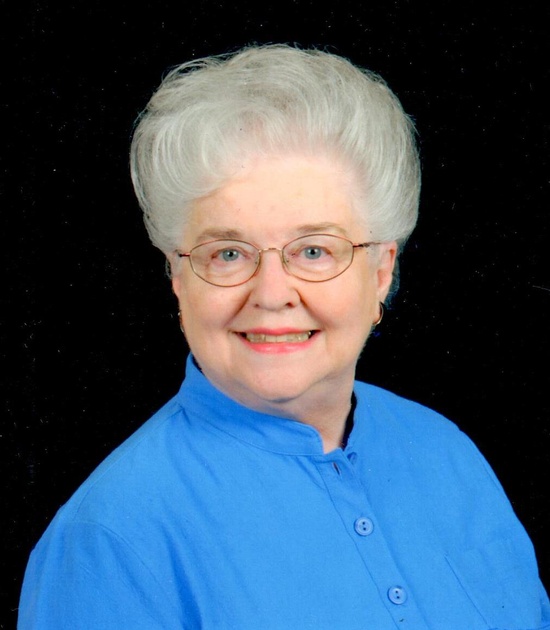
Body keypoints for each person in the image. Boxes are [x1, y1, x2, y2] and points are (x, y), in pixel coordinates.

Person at [18, 44, 549, 630]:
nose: (272, 295)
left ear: (381, 271)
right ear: (178, 278)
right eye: (228, 253)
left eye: (314, 250)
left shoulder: (446, 452)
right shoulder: (110, 538)